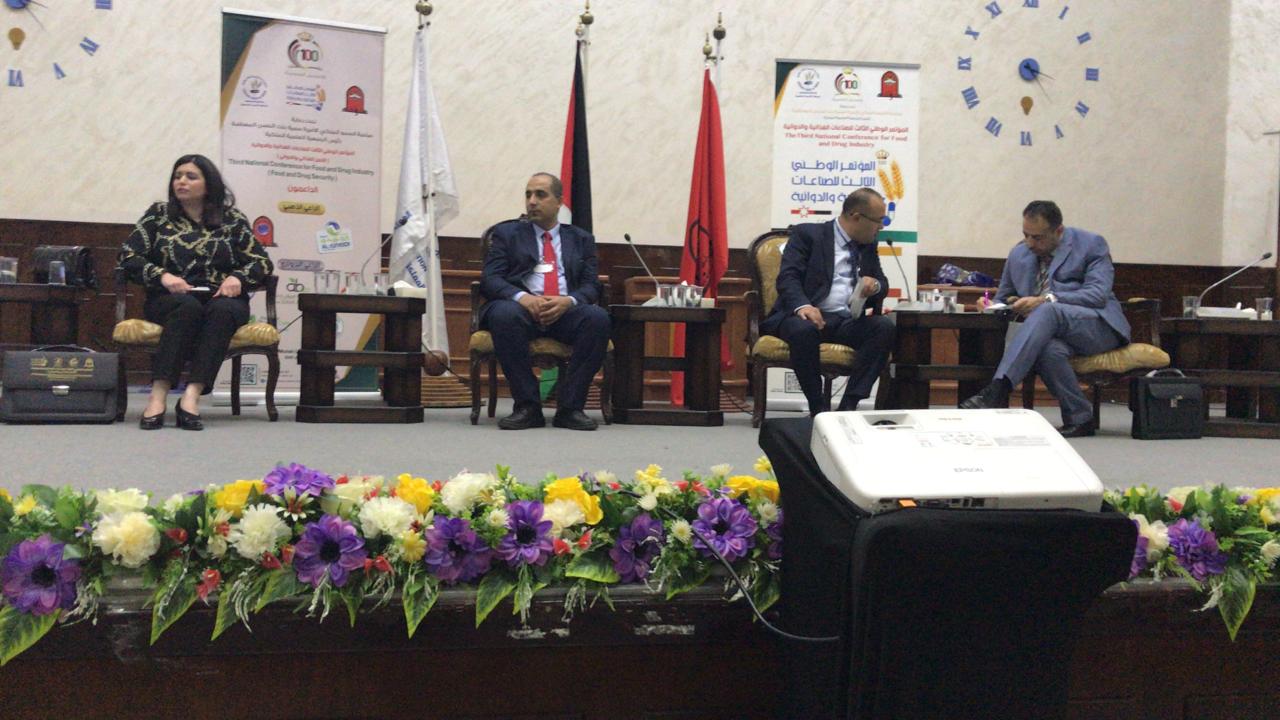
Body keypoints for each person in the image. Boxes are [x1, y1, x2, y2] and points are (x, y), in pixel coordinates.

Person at [118, 154, 274, 431]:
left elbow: (261, 262)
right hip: (170, 298)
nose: (181, 181)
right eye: (178, 176)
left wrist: (238, 277)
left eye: (191, 177)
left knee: (222, 311)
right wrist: (163, 276)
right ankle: (158, 395)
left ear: (208, 184)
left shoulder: (232, 220)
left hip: (221, 298)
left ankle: (191, 396)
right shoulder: (158, 215)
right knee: (187, 308)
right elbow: (128, 256)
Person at [960, 200, 1130, 437]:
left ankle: (999, 389)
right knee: (1049, 350)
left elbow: (1097, 295)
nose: (1030, 243)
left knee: (1048, 310)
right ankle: (1080, 417)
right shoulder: (1019, 253)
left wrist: (1047, 299)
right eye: (1026, 235)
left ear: (1058, 231)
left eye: (1037, 238)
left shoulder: (1091, 244)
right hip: (1050, 332)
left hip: (1097, 327)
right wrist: (989, 305)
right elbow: (1004, 297)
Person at [479, 173, 611, 431]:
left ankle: (570, 409)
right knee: (504, 315)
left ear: (559, 202)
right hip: (520, 311)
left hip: (565, 313)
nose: (532, 201)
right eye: (528, 194)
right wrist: (523, 298)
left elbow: (591, 285)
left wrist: (568, 301)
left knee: (598, 319)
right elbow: (490, 279)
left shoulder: (581, 239)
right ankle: (527, 407)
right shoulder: (508, 234)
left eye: (540, 195)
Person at [760, 188, 896, 416]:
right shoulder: (808, 235)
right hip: (804, 318)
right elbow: (788, 277)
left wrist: (875, 286)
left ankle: (848, 406)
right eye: (878, 221)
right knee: (803, 330)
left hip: (845, 321)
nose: (881, 227)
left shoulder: (868, 244)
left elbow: (882, 283)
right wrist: (803, 306)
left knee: (883, 327)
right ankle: (817, 408)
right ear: (856, 217)